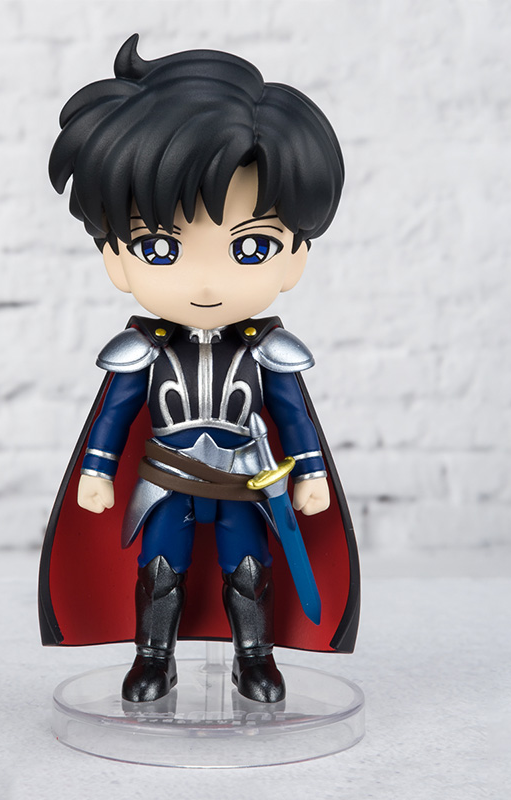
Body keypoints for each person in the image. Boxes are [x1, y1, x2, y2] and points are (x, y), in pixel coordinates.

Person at [38, 34, 360, 704]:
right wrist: (97, 470)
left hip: (246, 480)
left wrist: (311, 474)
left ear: (295, 256)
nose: (207, 280)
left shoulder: (268, 349)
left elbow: (293, 417)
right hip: (169, 479)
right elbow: (116, 414)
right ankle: (153, 660)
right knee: (161, 570)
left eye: (252, 247)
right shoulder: (144, 349)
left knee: (248, 571)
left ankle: (255, 660)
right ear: (116, 258)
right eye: (161, 248)